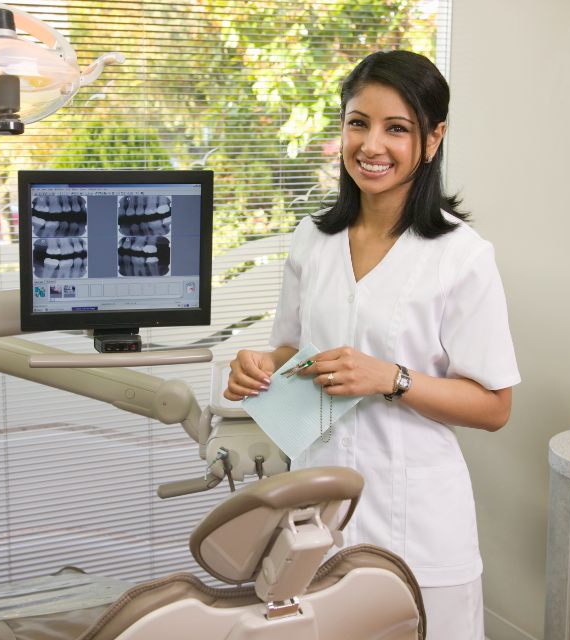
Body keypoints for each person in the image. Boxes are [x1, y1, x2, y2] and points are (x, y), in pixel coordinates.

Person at [223, 50, 520, 640]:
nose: (371, 145)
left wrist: (392, 378)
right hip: (316, 515)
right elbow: (289, 352)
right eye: (358, 123)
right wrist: (257, 366)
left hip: (419, 524)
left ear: (433, 139)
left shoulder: (462, 256)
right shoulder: (313, 239)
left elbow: (495, 406)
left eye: (397, 128)